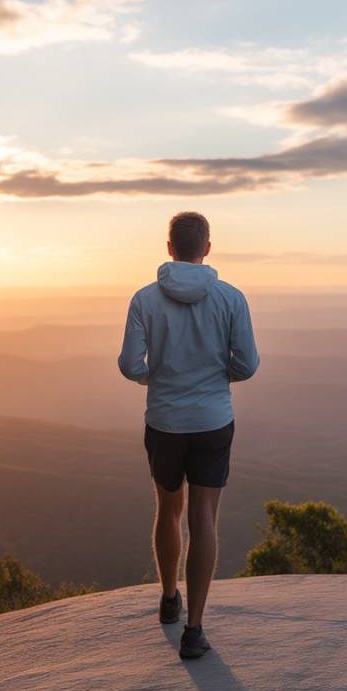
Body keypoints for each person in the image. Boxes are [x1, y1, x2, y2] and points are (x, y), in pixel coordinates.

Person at [117, 211, 260, 660]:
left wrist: (153, 379)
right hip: (213, 420)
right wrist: (221, 377)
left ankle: (167, 597)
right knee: (204, 519)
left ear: (169, 247)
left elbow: (128, 364)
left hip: (164, 421)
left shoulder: (144, 299)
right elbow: (248, 364)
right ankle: (194, 629)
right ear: (207, 249)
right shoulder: (231, 298)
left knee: (167, 508)